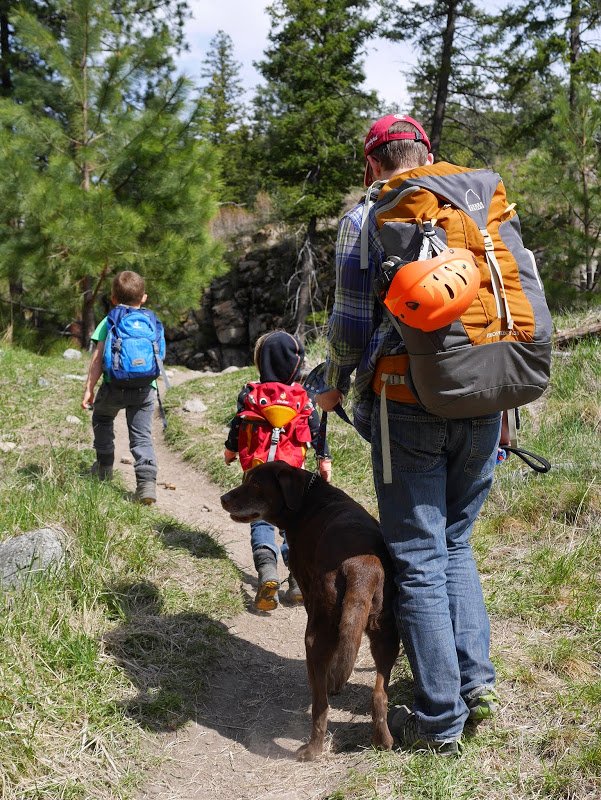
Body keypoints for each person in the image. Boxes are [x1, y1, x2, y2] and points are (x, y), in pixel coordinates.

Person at [317, 114, 500, 756]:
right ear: (428, 154)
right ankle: (477, 687)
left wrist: (337, 381)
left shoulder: (369, 214)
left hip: (406, 398)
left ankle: (439, 719)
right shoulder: (473, 202)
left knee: (418, 556)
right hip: (485, 393)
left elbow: (349, 321)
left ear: (372, 164)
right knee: (456, 543)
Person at [224, 330, 332, 612]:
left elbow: (237, 425)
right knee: (291, 524)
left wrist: (230, 450)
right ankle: (296, 580)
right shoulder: (304, 398)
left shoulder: (250, 393)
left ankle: (267, 571)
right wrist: (324, 459)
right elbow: (317, 431)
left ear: (261, 362)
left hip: (257, 474)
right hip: (290, 478)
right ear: (297, 366)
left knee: (259, 520)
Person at [82, 270, 161, 505]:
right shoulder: (151, 321)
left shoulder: (110, 320)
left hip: (113, 386)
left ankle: (104, 467)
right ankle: (146, 485)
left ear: (113, 298)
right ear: (143, 297)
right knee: (141, 437)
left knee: (103, 418)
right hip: (145, 388)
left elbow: (98, 359)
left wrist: (89, 389)